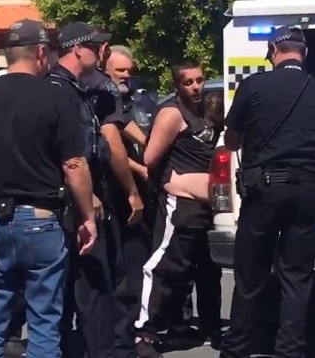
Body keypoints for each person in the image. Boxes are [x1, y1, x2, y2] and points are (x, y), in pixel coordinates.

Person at [0, 18, 97, 358]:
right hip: (42, 220)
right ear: (41, 52)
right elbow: (74, 165)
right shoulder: (57, 98)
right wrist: (87, 216)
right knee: (45, 321)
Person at [218, 26, 315, 358]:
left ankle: (239, 348)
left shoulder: (254, 86)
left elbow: (232, 140)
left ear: (272, 52)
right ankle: (290, 351)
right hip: (308, 192)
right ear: (305, 53)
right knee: (297, 278)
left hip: (264, 190)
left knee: (250, 274)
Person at [134, 59, 223, 358]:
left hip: (206, 209)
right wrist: (170, 182)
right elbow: (150, 158)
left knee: (206, 270)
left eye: (199, 80)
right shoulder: (172, 113)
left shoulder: (206, 112)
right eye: (188, 82)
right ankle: (144, 333)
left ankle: (201, 328)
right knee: (163, 267)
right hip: (179, 206)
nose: (196, 87)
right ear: (177, 86)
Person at [46, 21, 116, 358]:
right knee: (87, 290)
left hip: (77, 202)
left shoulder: (74, 89)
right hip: (72, 206)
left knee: (80, 291)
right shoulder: (59, 91)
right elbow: (67, 158)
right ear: (77, 49)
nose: (101, 52)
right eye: (95, 46)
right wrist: (86, 197)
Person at [78, 41, 148, 358]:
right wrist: (140, 174)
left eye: (129, 72)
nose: (126, 77)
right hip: (107, 195)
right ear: (106, 68)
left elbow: (129, 129)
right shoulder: (99, 93)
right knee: (107, 278)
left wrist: (150, 143)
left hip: (121, 196)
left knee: (127, 273)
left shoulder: (126, 99)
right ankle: (112, 346)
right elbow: (112, 143)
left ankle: (121, 341)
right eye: (120, 70)